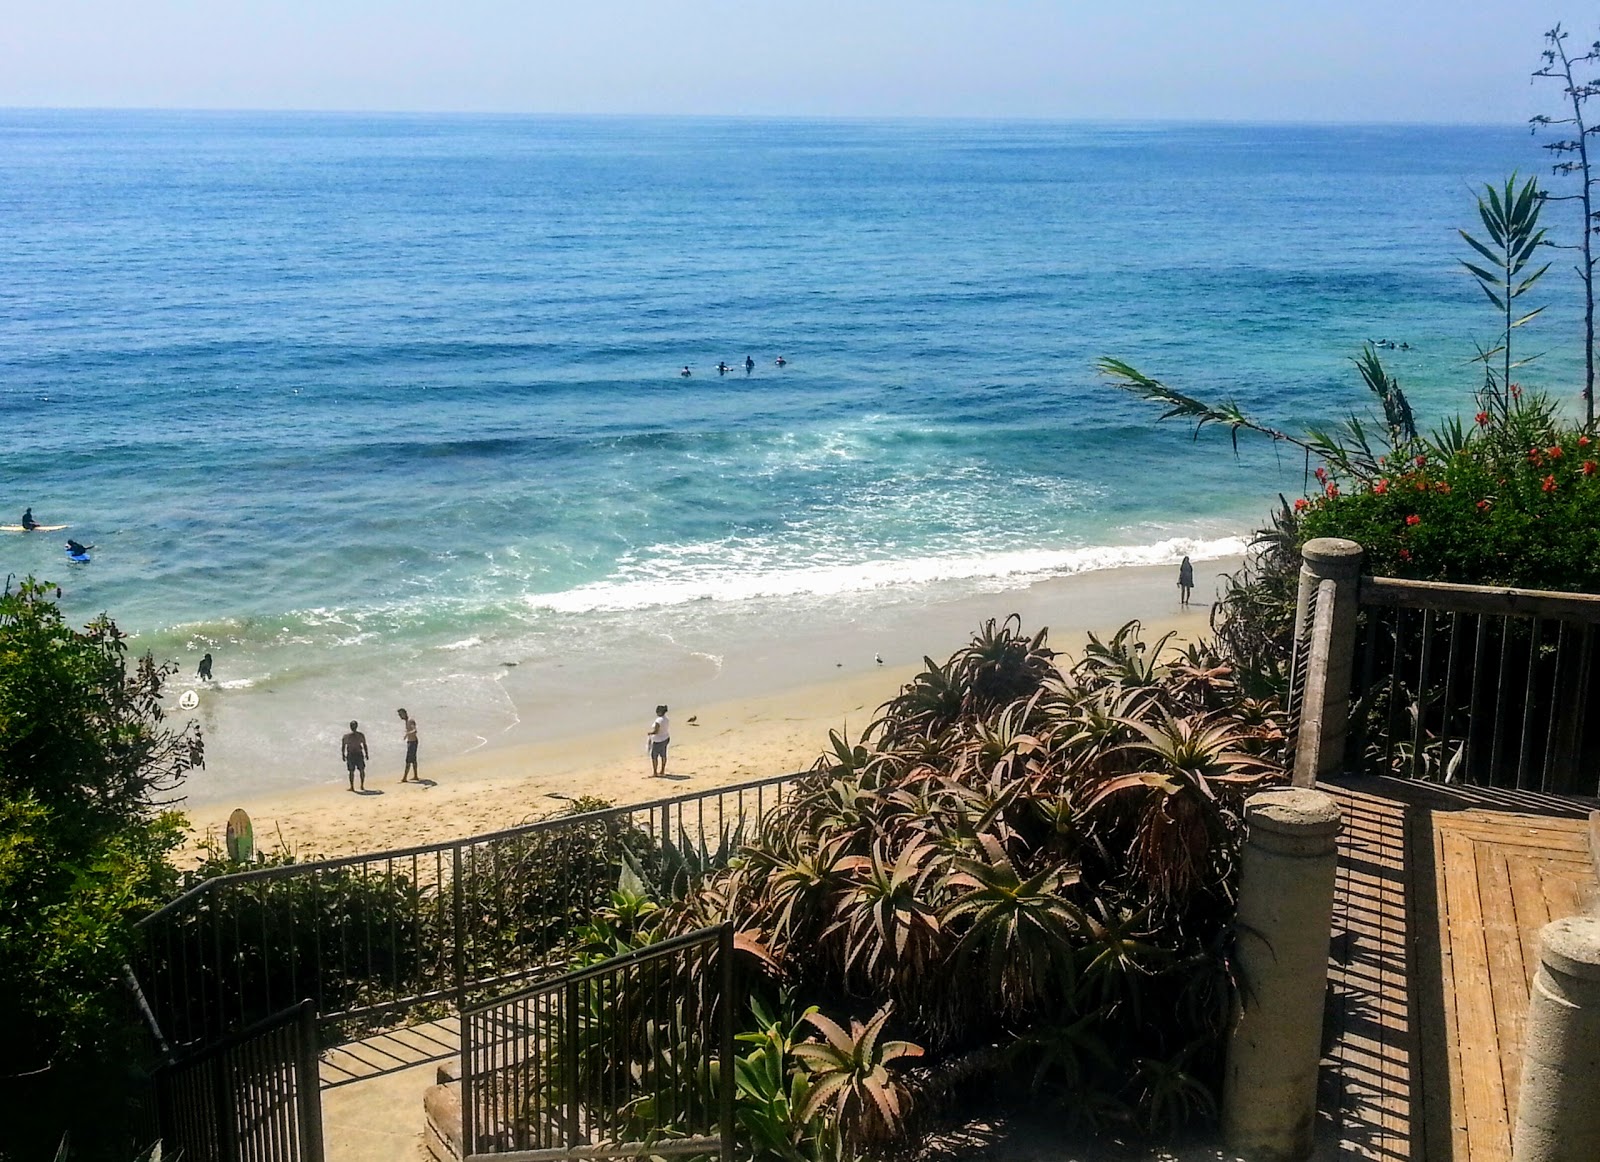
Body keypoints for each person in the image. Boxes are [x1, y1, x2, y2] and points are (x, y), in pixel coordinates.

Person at [342, 720, 369, 791]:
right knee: (355, 771)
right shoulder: (359, 735)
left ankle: (358, 786)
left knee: (358, 770)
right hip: (354, 754)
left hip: (355, 754)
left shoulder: (347, 736)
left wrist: (366, 754)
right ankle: (356, 786)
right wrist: (366, 754)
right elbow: (343, 746)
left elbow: (343, 746)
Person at [646, 704, 671, 777]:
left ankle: (655, 772)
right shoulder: (666, 719)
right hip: (666, 738)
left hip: (658, 740)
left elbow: (656, 731)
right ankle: (662, 770)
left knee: (654, 756)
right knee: (663, 755)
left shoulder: (658, 720)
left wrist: (650, 733)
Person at [397, 707, 420, 782]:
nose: (400, 716)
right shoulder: (407, 721)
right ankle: (415, 776)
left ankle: (404, 778)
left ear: (404, 713)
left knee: (408, 760)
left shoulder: (410, 721)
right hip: (411, 742)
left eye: (400, 714)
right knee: (413, 760)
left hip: (413, 742)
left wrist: (407, 734)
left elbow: (415, 730)